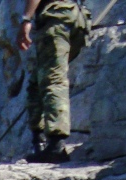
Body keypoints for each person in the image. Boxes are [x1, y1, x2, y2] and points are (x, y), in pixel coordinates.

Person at [18, 0, 91, 164]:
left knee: (52, 79)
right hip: (77, 18)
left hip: (56, 17)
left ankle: (55, 145)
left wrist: (26, 20)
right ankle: (39, 142)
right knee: (37, 82)